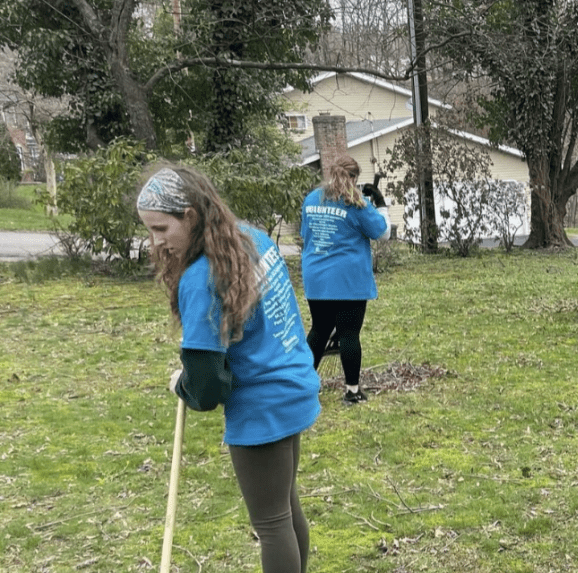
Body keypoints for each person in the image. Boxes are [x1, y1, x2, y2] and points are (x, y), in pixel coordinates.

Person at [137, 164, 320, 573]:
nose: (156, 241)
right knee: (285, 509)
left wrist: (183, 384)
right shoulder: (249, 237)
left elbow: (205, 390)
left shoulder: (201, 279)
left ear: (191, 215)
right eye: (149, 230)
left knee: (272, 523)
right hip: (293, 384)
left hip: (263, 404)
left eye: (162, 228)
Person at [301, 155, 391, 404]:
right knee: (349, 334)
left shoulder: (311, 199)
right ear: (353, 178)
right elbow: (382, 233)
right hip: (347, 280)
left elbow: (305, 234)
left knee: (319, 330)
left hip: (316, 277)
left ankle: (303, 386)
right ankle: (352, 391)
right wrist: (380, 203)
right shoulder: (356, 203)